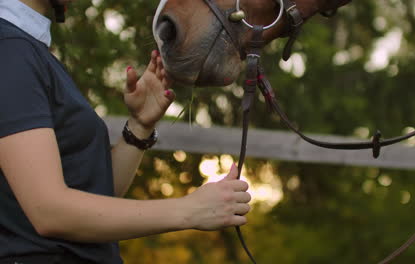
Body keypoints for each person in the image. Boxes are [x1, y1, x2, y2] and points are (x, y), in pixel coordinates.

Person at [0, 0, 251, 263]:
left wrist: (139, 126)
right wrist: (190, 209)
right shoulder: (10, 51)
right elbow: (48, 211)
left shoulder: (28, 50)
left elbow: (94, 196)